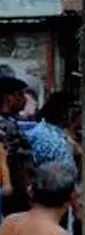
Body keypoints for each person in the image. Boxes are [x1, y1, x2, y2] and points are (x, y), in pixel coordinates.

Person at [0, 75, 35, 217]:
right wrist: (26, 189)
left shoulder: (12, 121)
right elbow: (16, 163)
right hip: (13, 192)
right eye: (19, 94)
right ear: (8, 98)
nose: (25, 99)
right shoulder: (6, 126)